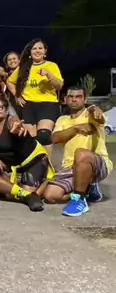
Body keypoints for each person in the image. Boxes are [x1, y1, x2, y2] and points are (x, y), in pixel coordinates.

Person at [43, 86, 113, 217]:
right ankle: (89, 189)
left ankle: (79, 199)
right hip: (70, 167)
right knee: (50, 195)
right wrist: (76, 128)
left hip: (97, 163)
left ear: (85, 99)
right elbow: (55, 138)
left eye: (78, 97)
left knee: (81, 153)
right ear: (65, 99)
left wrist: (94, 108)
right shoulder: (62, 120)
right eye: (71, 97)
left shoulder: (91, 115)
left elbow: (99, 118)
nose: (74, 99)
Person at [0, 96, 54, 211]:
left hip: (32, 160)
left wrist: (17, 129)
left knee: (26, 192)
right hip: (11, 163)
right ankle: (16, 189)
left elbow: (15, 124)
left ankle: (47, 181)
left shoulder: (11, 121)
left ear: (6, 110)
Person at [6, 39, 63, 153]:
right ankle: (36, 162)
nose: (37, 51)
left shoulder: (51, 65)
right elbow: (9, 81)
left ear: (45, 51)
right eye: (34, 48)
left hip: (48, 104)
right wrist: (18, 96)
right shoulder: (24, 67)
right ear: (30, 52)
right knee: (30, 138)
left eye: (40, 48)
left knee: (44, 135)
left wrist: (49, 74)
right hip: (29, 106)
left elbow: (59, 86)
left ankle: (48, 162)